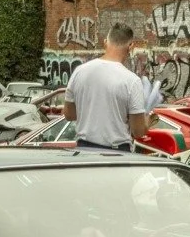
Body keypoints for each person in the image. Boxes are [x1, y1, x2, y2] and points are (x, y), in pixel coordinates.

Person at [63, 23, 151, 151]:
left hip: (84, 150)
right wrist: (147, 121)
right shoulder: (132, 81)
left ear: (105, 42)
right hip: (116, 153)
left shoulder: (79, 71)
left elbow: (69, 114)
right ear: (131, 46)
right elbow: (138, 131)